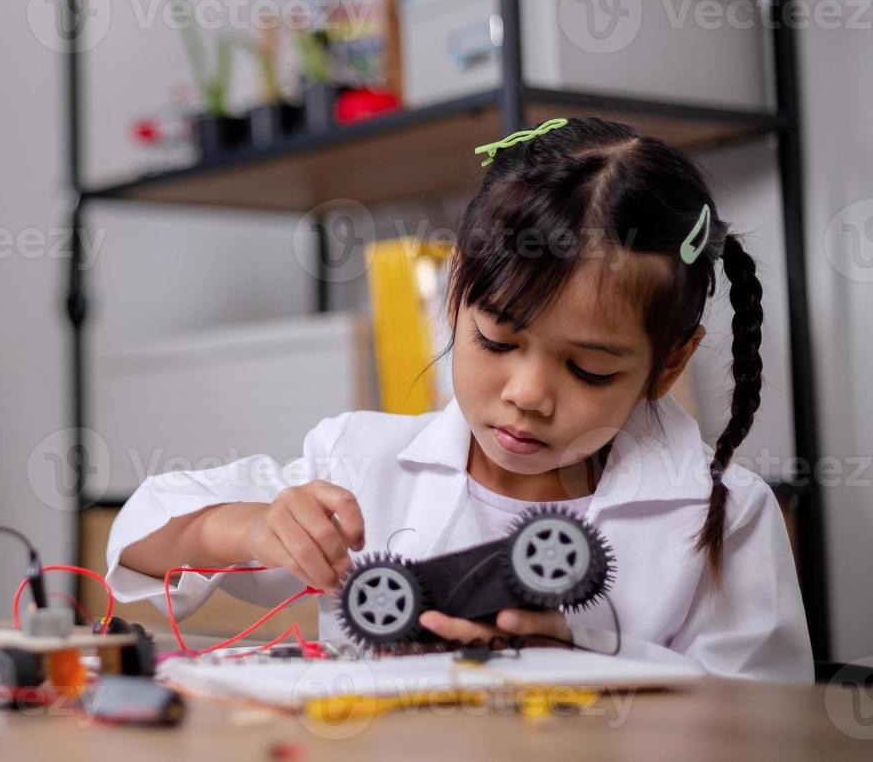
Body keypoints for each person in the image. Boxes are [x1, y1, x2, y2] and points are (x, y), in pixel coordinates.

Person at [106, 116, 813, 681]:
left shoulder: (724, 513)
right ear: (454, 299)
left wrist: (587, 658)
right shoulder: (361, 466)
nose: (529, 395)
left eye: (590, 370)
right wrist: (252, 530)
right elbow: (142, 536)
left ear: (668, 364)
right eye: (500, 343)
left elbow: (768, 721)